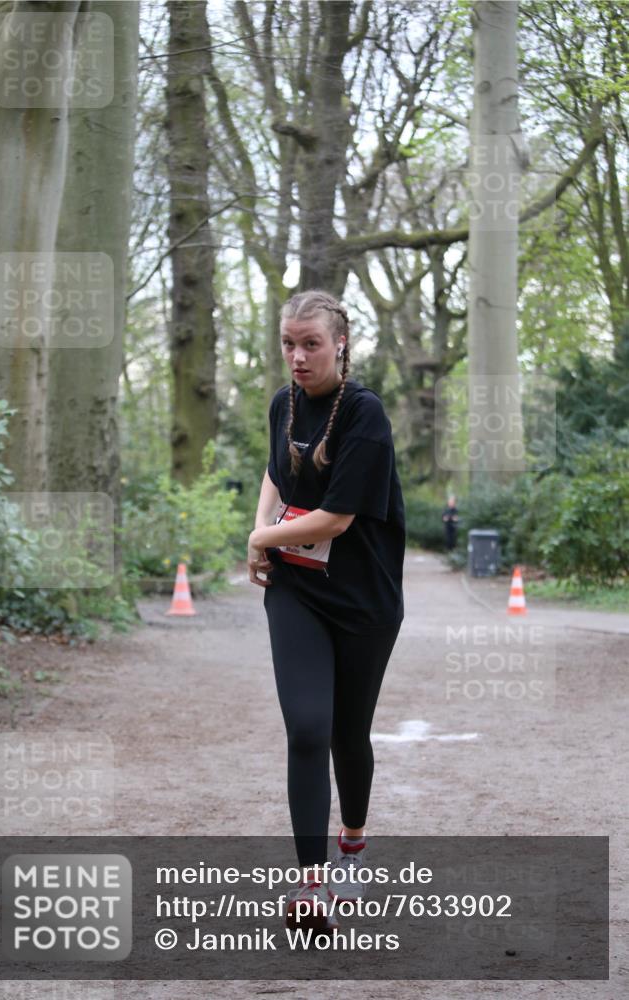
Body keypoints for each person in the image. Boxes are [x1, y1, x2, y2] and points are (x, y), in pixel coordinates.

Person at [247, 289, 406, 932]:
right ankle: (311, 886)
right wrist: (262, 529)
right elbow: (275, 473)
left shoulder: (365, 413)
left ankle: (354, 843)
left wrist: (261, 538)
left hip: (365, 600)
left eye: (310, 343)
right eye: (289, 343)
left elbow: (336, 519)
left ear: (339, 343)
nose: (298, 356)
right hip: (298, 589)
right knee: (309, 729)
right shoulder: (283, 403)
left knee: (348, 733)